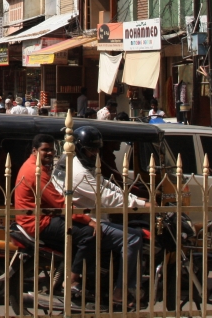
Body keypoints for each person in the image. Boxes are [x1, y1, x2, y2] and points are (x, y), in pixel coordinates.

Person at [54, 125, 147, 305]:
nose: (95, 153)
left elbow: (106, 184)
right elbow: (105, 196)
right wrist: (140, 204)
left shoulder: (79, 163)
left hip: (87, 215)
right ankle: (120, 292)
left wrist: (136, 198)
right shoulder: (77, 171)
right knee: (133, 239)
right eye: (91, 149)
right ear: (81, 148)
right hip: (84, 220)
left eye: (97, 149)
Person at [15, 133, 96, 298]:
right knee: (88, 234)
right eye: (45, 150)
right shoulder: (35, 171)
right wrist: (88, 220)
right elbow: (60, 204)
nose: (50, 153)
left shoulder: (34, 167)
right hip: (38, 222)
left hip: (37, 217)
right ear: (35, 150)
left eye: (52, 150)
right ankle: (72, 280)